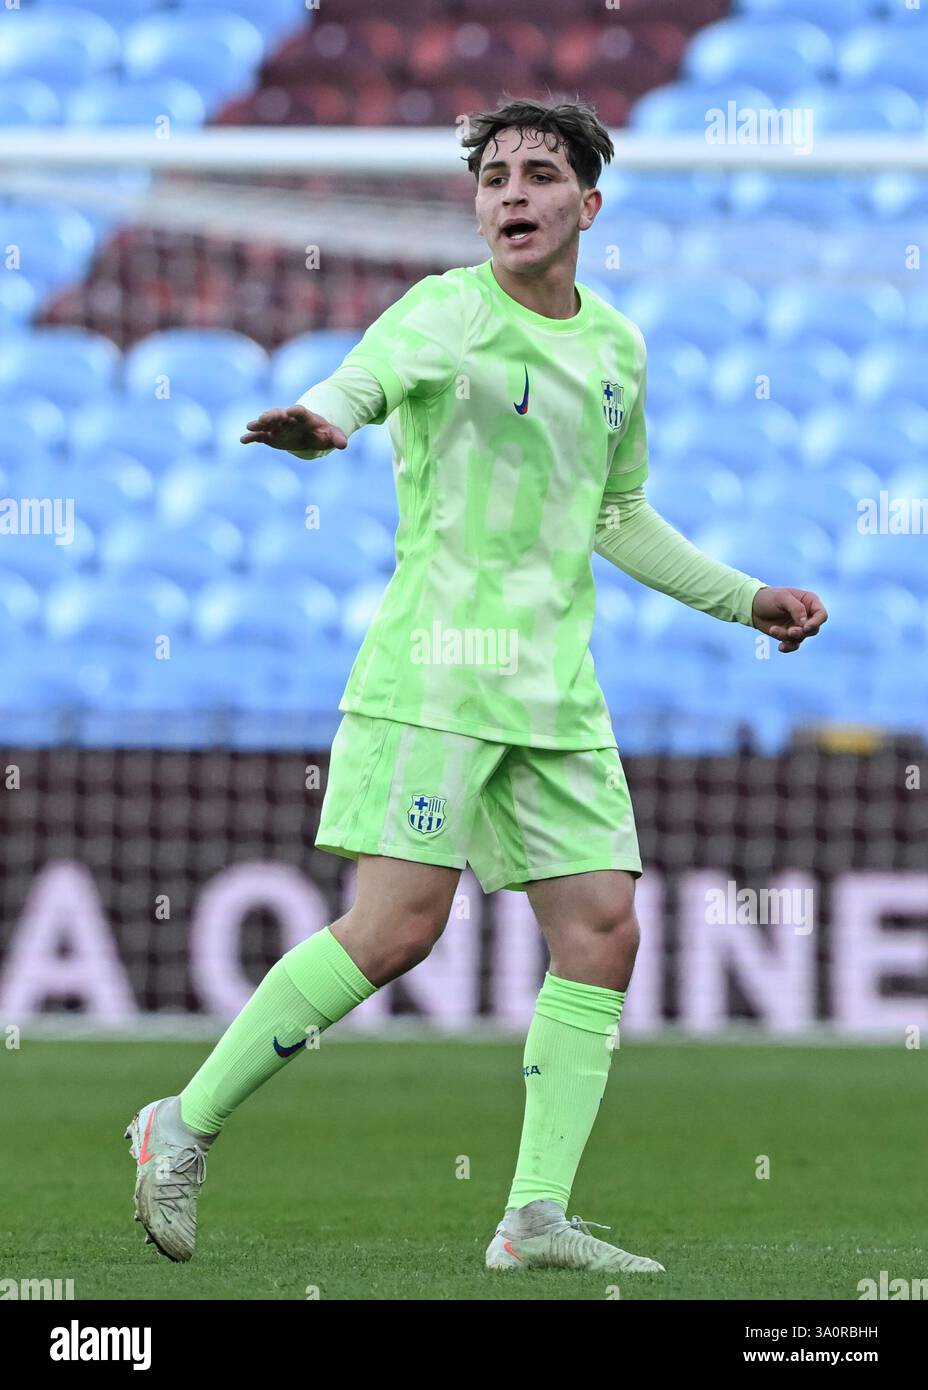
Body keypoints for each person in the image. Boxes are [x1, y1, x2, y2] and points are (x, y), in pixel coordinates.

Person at [126, 97, 827, 1273]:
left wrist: (744, 597)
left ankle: (532, 1214)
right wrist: (318, 420)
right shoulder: (443, 312)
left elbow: (615, 510)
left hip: (554, 688)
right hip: (439, 673)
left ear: (586, 206)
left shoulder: (614, 347)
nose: (511, 191)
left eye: (540, 173)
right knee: (398, 929)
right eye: (494, 174)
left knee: (603, 931)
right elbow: (356, 385)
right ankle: (178, 1126)